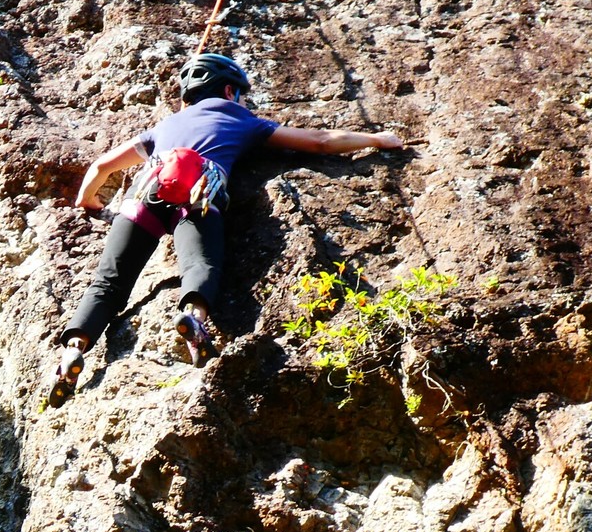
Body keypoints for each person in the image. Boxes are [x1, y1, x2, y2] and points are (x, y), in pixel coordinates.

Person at [47, 51, 405, 407]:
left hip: (144, 195)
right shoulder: (241, 119)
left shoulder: (164, 126)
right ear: (230, 91)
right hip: (198, 192)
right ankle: (193, 319)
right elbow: (320, 140)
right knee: (200, 264)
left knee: (109, 282)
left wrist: (87, 202)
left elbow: (102, 166)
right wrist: (377, 139)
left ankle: (73, 351)